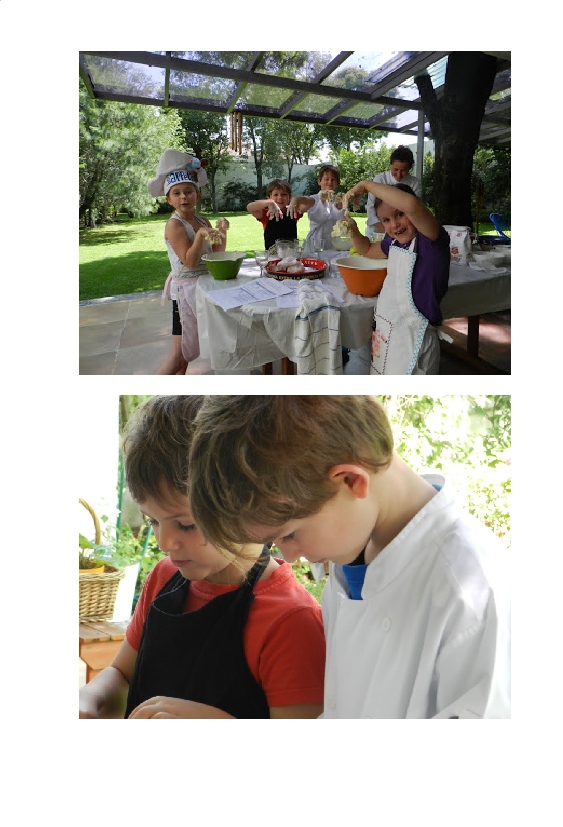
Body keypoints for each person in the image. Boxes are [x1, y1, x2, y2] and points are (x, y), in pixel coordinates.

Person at [186, 395, 511, 720]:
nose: (290, 556)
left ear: (350, 481)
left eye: (289, 535)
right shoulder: (351, 560)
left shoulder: (471, 588)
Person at [79, 395, 326, 719]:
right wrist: (90, 699)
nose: (165, 542)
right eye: (153, 521)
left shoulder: (291, 620)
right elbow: (122, 674)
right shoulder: (164, 577)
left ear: (247, 502)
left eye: (186, 524)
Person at [344, 181, 450, 374]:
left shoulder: (431, 240)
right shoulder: (394, 244)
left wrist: (366, 185)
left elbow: (411, 205)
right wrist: (353, 230)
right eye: (386, 220)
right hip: (389, 336)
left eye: (400, 214)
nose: (394, 224)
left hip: (416, 342)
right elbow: (367, 249)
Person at [147, 150, 230, 375]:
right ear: (169, 199)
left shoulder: (203, 221)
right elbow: (190, 262)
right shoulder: (174, 225)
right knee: (178, 356)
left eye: (188, 191)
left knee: (186, 355)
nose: (183, 197)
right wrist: (201, 235)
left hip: (201, 289)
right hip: (184, 292)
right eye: (177, 193)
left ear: (197, 195)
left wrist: (221, 231)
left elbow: (215, 254)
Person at [286, 164, 346, 254]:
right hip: (314, 244)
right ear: (319, 181)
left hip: (332, 244)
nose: (330, 182)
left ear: (338, 183)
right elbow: (304, 200)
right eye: (326, 179)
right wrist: (295, 200)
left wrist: (339, 206)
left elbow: (341, 221)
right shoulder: (314, 198)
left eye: (333, 179)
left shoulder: (338, 200)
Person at [365, 145, 422, 239]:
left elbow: (415, 209)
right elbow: (371, 206)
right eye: (395, 169)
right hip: (378, 230)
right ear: (390, 165)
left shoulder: (415, 183)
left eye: (403, 170)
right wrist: (384, 230)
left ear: (410, 168)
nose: (399, 175)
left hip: (403, 230)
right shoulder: (380, 179)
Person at [247, 179, 302, 251]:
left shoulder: (293, 212)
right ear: (269, 198)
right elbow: (249, 207)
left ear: (289, 197)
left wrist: (296, 200)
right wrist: (270, 203)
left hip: (291, 254)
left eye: (284, 194)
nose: (280, 197)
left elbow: (311, 203)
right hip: (272, 255)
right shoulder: (267, 214)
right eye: (276, 195)